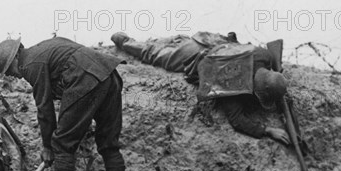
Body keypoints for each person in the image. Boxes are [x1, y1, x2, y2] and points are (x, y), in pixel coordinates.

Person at [0, 37, 128, 171]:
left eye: (9, 69)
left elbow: (45, 109)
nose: (12, 75)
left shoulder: (30, 63)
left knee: (62, 143)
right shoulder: (45, 48)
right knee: (108, 142)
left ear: (17, 56)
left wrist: (48, 146)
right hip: (108, 74)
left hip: (85, 79)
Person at [111, 32, 290, 145]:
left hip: (214, 41)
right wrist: (267, 130)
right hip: (195, 54)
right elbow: (237, 119)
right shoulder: (233, 82)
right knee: (155, 54)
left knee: (177, 43)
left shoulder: (264, 56)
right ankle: (126, 42)